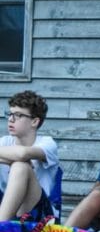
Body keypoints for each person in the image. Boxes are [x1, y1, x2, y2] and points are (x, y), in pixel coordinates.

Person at [0, 90, 60, 222]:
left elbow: (23, 154)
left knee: (21, 166)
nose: (10, 119)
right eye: (9, 114)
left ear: (34, 122)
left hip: (42, 216)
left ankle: (1, 228)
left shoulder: (47, 143)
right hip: (7, 206)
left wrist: (7, 159)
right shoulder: (4, 142)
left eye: (18, 115)